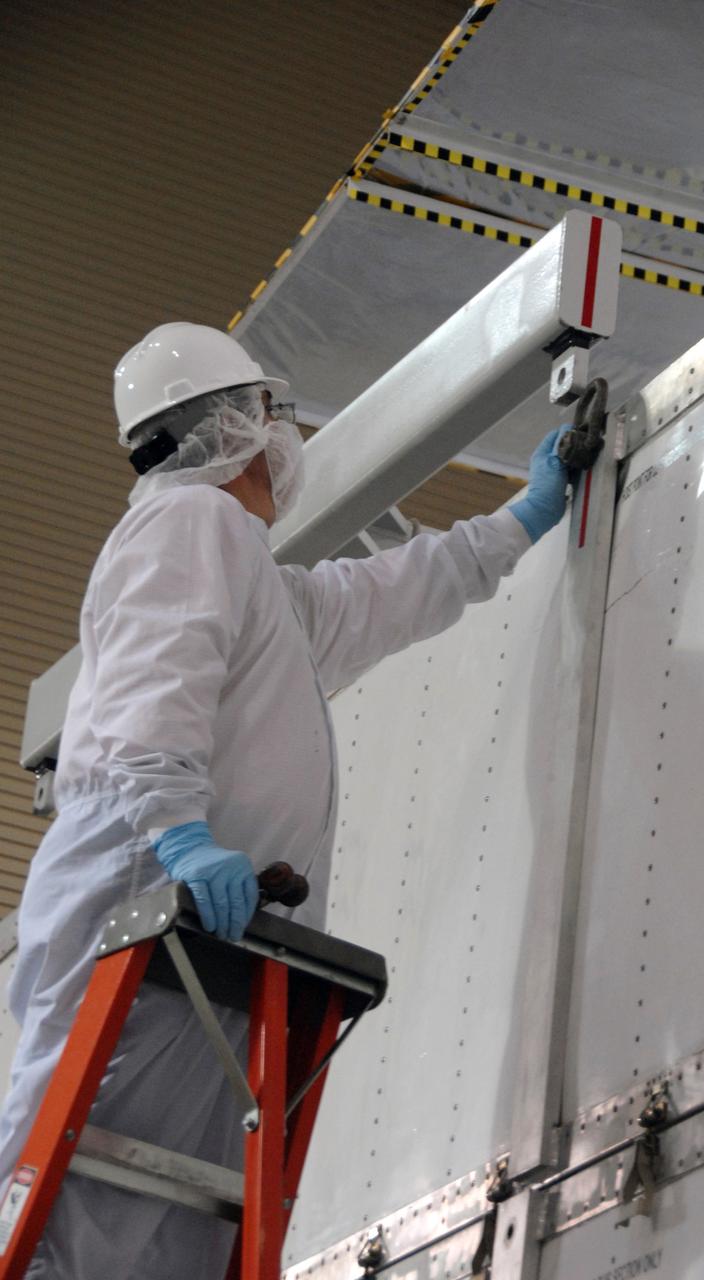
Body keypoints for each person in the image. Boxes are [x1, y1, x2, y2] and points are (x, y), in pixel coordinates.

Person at [0, 322, 581, 1278]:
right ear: (232, 424)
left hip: (193, 938)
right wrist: (181, 834)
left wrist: (518, 521)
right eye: (270, 417)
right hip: (146, 905)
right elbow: (157, 677)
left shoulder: (254, 585)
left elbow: (382, 595)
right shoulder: (192, 525)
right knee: (77, 1193)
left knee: (140, 1218)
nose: (284, 442)